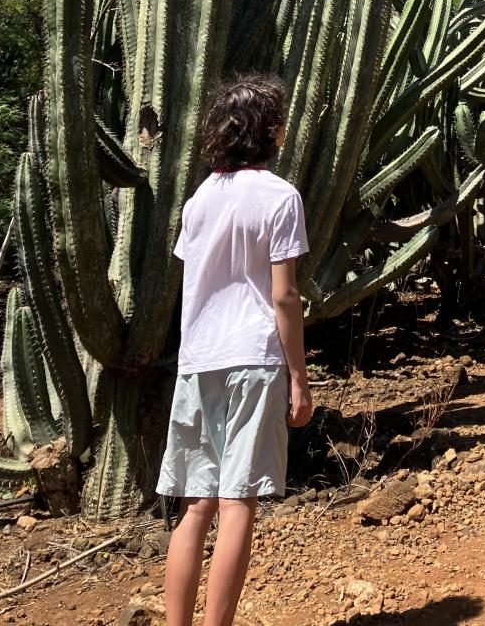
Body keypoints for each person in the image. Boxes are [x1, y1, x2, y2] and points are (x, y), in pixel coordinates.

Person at [158, 74, 313, 626]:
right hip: (254, 357)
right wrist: (299, 378)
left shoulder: (199, 200)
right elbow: (284, 295)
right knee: (237, 501)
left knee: (194, 505)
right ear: (268, 130)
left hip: (198, 359)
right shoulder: (280, 197)